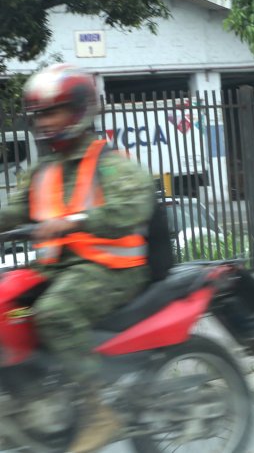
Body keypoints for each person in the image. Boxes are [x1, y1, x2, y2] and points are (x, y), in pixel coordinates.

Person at [0, 64, 155, 453]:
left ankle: (96, 410)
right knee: (8, 309)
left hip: (112, 270)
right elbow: (13, 213)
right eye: (40, 114)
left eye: (54, 111)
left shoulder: (110, 164)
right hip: (56, 270)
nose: (46, 121)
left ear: (80, 111)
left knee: (54, 313)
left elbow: (133, 206)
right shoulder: (42, 170)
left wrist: (73, 221)